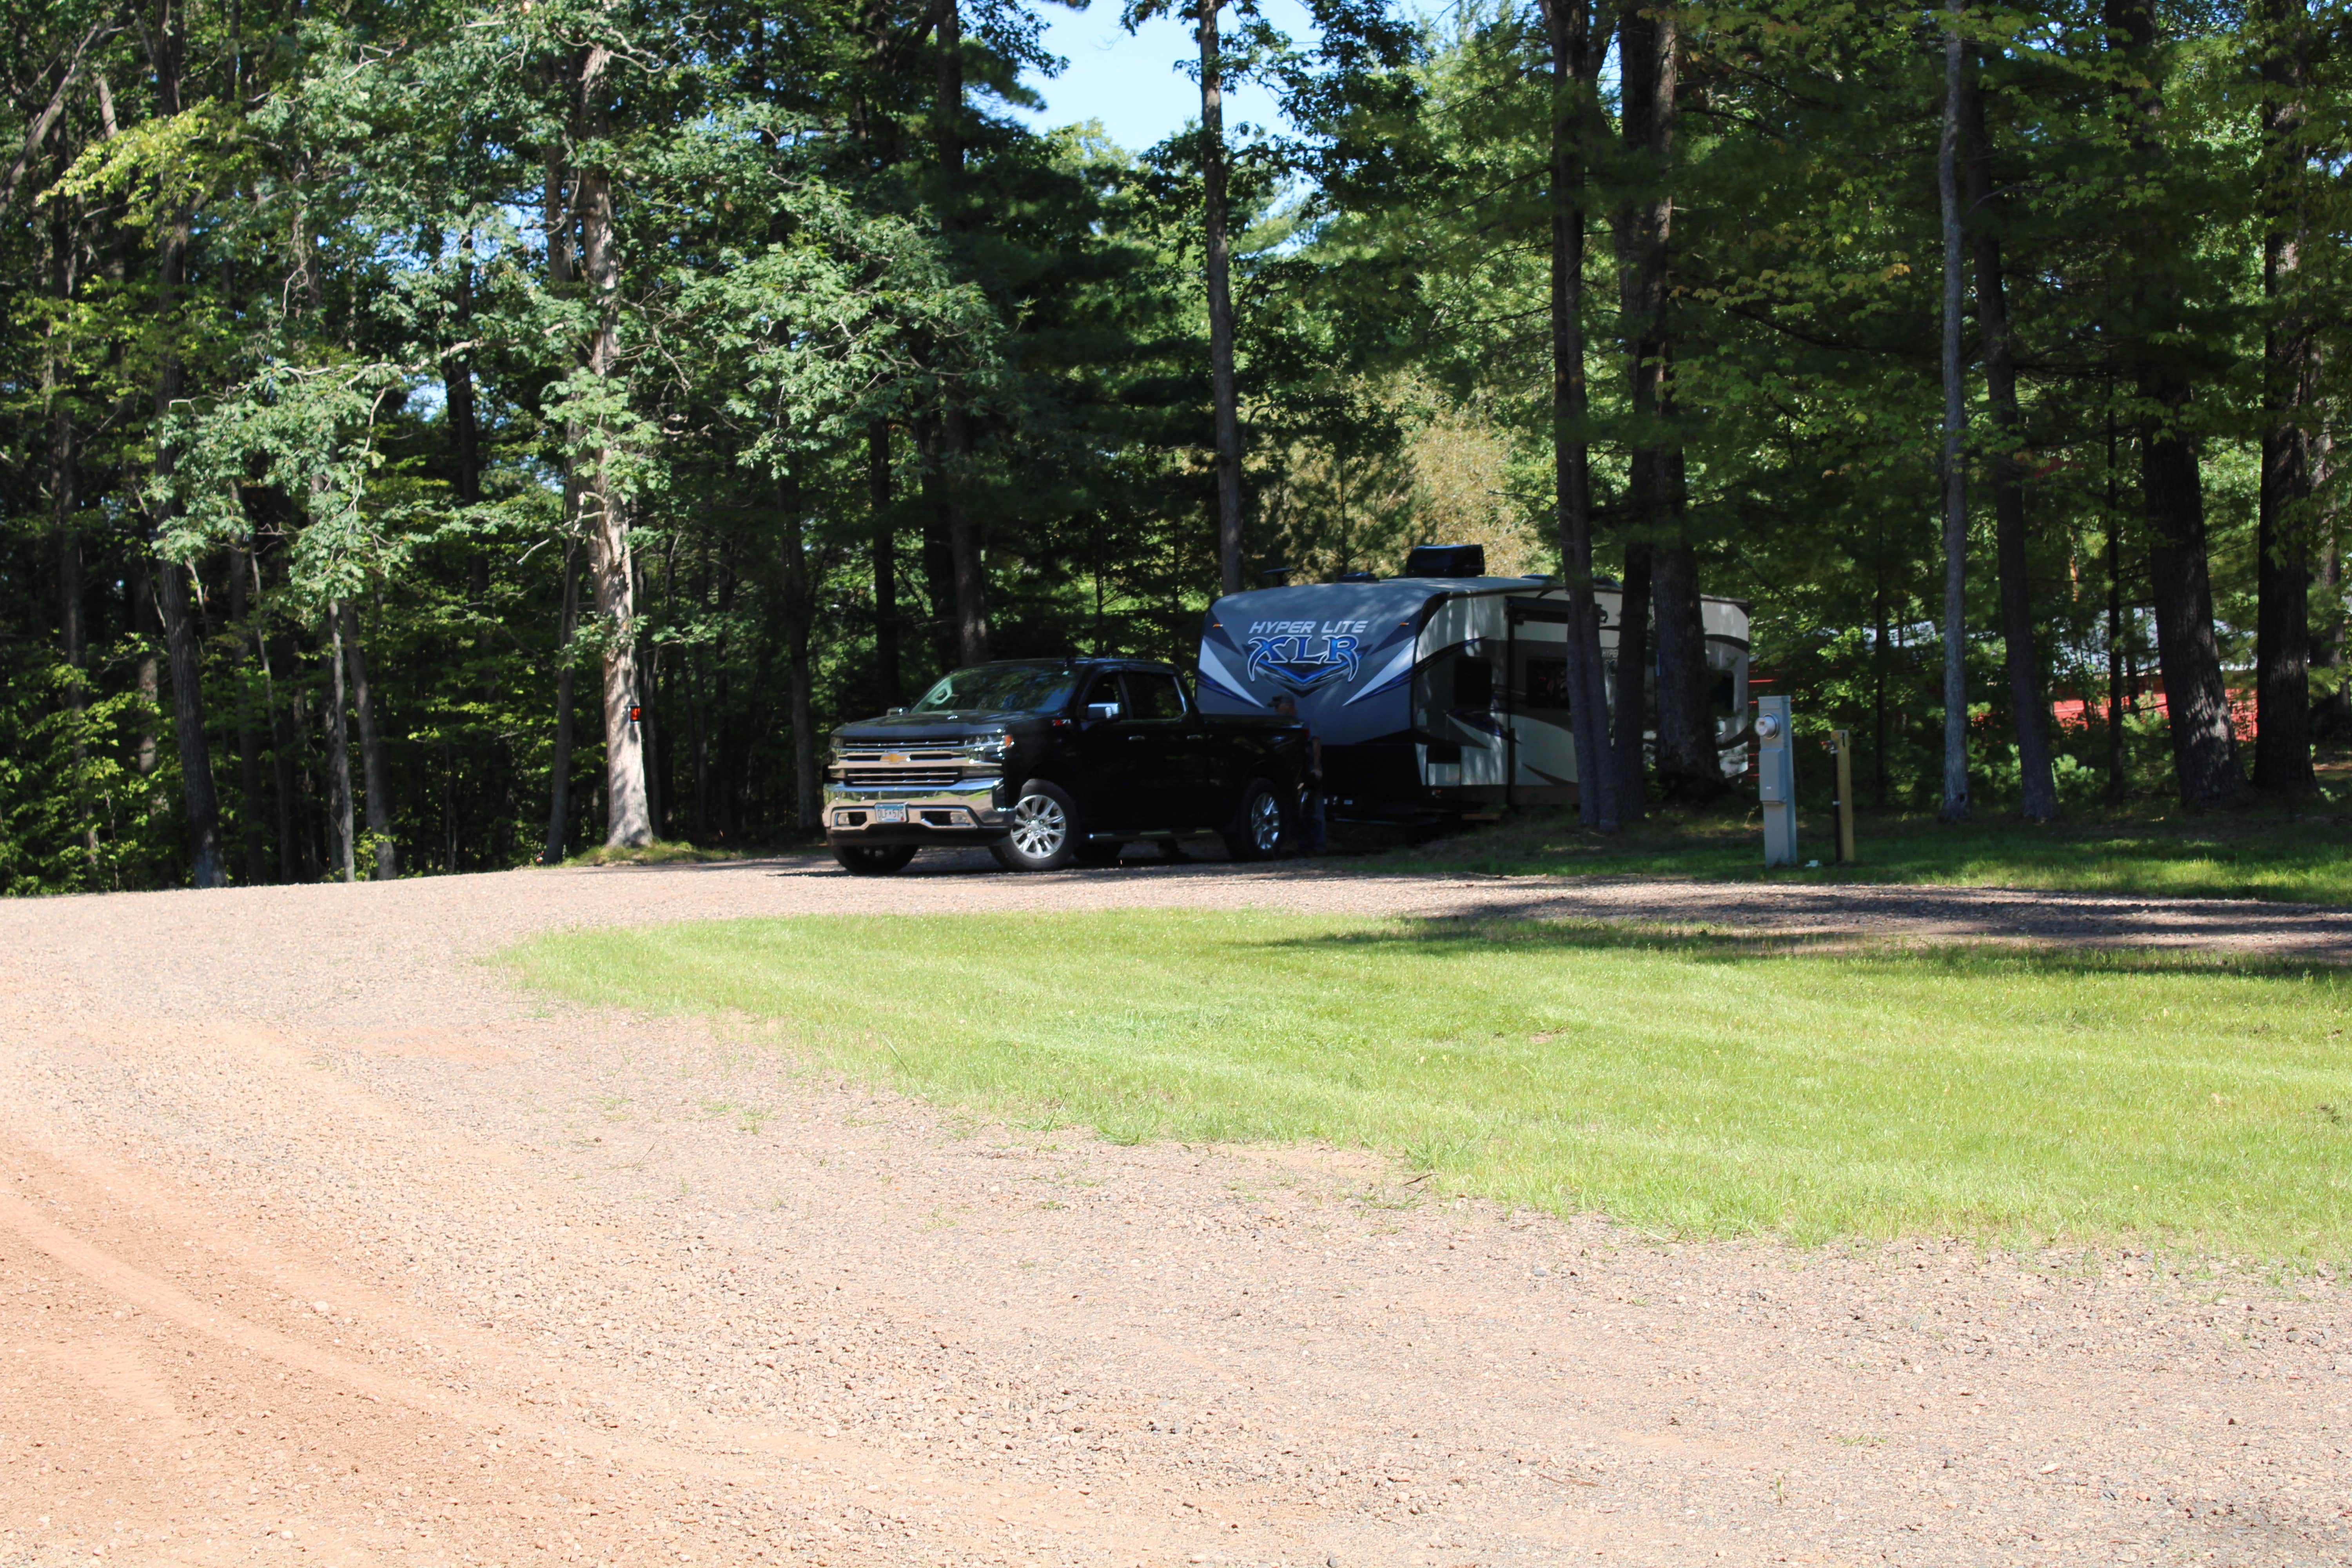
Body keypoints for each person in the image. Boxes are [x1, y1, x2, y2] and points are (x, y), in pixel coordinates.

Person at [1270, 694, 1327, 855]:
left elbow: (1316, 743)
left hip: (1308, 767)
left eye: (1277, 707)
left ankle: (1319, 848)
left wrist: (1316, 768)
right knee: (1298, 810)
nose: (1275, 711)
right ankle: (1303, 846)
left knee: (1315, 809)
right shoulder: (1282, 723)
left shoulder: (1306, 720)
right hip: (1293, 769)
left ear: (1287, 705)